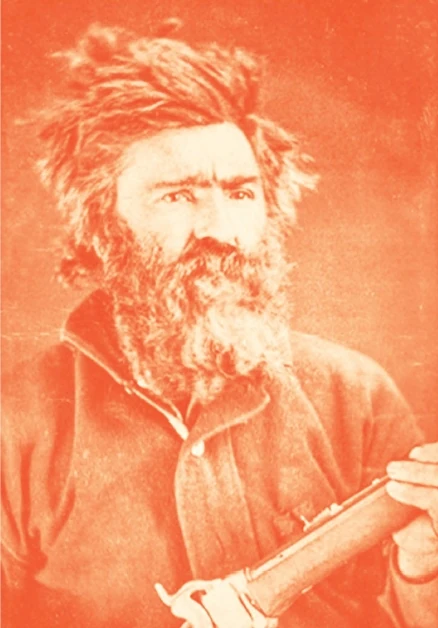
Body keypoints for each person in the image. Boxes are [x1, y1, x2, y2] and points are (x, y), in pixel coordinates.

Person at [2, 23, 438, 628]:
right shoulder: (16, 421)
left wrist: (422, 568)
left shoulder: (356, 394)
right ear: (101, 225)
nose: (221, 230)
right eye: (178, 196)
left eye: (240, 194)